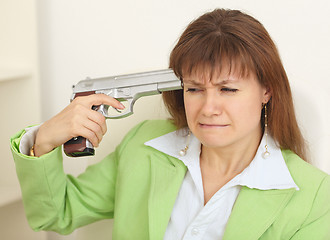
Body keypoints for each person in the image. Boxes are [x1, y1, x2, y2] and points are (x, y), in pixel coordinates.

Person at [11, 8, 329, 240]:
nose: (208, 108)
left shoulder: (316, 198)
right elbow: (55, 214)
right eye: (194, 89)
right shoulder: (142, 146)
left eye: (228, 89)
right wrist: (44, 141)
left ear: (267, 90)